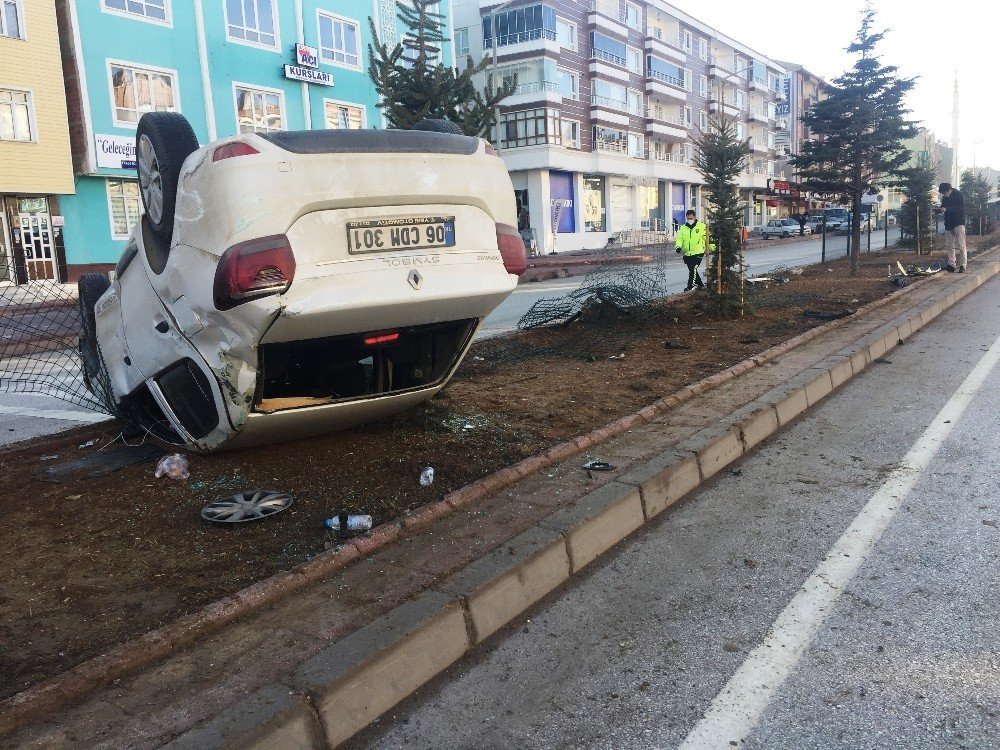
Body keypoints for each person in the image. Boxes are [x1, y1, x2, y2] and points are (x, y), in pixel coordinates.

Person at [937, 182, 967, 273]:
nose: (943, 194)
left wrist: (947, 209)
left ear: (949, 190)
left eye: (943, 192)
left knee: (961, 245)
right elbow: (943, 207)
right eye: (942, 193)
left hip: (958, 223)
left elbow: (961, 209)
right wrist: (938, 210)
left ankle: (963, 265)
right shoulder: (945, 198)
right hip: (948, 224)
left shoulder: (959, 195)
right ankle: (951, 265)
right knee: (949, 246)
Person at [675, 209, 707, 291]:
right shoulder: (683, 228)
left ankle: (690, 286)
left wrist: (712, 248)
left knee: (693, 269)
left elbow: (707, 238)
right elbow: (680, 239)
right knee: (693, 271)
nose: (690, 220)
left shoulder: (702, 226)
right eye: (688, 218)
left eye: (691, 218)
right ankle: (701, 285)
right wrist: (678, 247)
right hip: (687, 254)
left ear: (695, 217)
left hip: (698, 252)